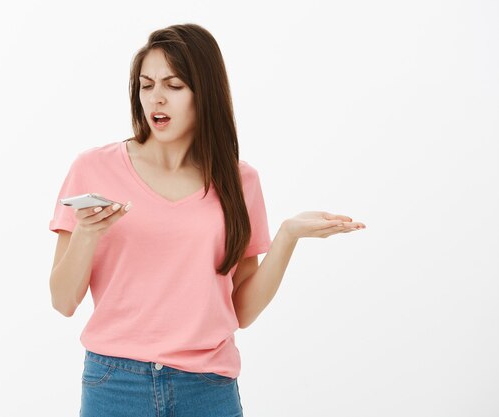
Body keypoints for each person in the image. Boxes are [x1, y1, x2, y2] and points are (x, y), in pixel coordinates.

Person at [48, 23, 366, 417]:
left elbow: (242, 312)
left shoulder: (239, 181)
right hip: (115, 384)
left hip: (207, 388)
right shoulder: (93, 168)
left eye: (174, 85)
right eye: (147, 85)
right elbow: (63, 301)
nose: (156, 98)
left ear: (205, 93)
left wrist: (287, 236)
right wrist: (87, 233)